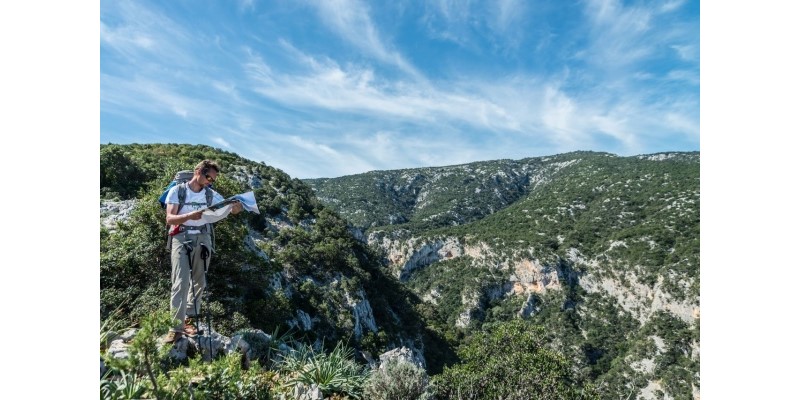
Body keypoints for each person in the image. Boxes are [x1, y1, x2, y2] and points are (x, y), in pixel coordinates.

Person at [163, 160, 243, 343]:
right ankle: (175, 327)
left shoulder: (211, 194)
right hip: (181, 237)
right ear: (197, 171)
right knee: (180, 281)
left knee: (199, 281)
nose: (209, 182)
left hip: (203, 238)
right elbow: (170, 219)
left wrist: (236, 208)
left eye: (212, 180)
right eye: (208, 177)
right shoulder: (178, 191)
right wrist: (190, 216)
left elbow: (228, 209)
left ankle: (189, 320)